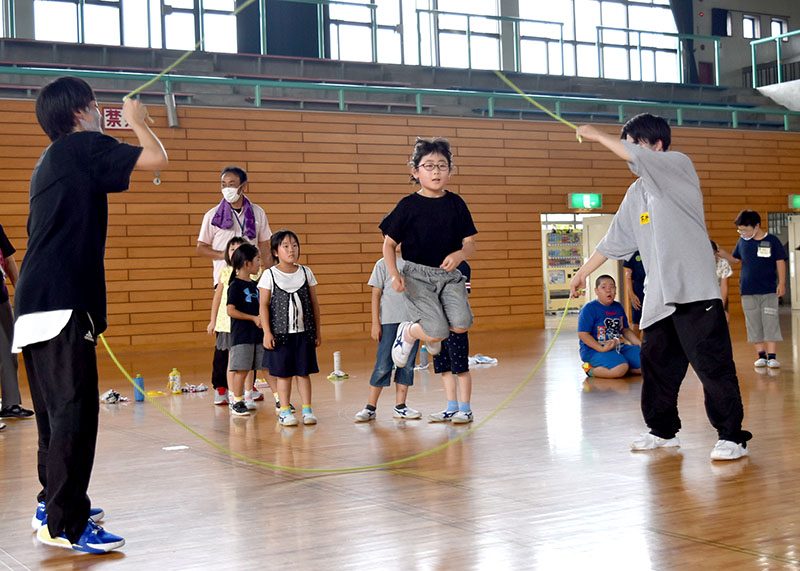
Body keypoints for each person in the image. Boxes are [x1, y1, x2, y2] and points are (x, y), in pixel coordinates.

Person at [12, 77, 168, 552]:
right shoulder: (80, 147)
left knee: (53, 419)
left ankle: (52, 502)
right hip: (61, 303)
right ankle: (65, 524)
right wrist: (140, 123)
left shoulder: (53, 158)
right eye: (96, 105)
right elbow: (156, 158)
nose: (103, 112)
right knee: (74, 416)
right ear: (80, 112)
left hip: (37, 304)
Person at [569, 113, 751, 461]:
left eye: (637, 143)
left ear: (658, 146)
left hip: (695, 291)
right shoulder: (635, 194)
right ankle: (663, 431)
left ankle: (732, 436)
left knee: (713, 367)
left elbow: (634, 155)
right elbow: (612, 243)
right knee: (657, 370)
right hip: (658, 298)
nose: (630, 151)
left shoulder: (678, 167)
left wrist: (596, 135)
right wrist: (582, 273)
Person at [379, 137, 477, 373]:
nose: (436, 172)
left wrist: (460, 254)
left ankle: (431, 333)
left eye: (442, 165)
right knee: (437, 332)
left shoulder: (456, 203)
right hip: (418, 277)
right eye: (429, 166)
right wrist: (394, 275)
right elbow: (388, 245)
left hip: (449, 275)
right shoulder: (408, 205)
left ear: (450, 171)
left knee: (463, 324)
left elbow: (471, 242)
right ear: (415, 171)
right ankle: (409, 332)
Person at [197, 166, 271, 404]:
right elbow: (201, 247)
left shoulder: (258, 213)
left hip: (252, 281)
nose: (227, 188)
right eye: (223, 184)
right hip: (226, 280)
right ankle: (221, 386)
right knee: (226, 338)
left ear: (244, 186)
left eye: (232, 183)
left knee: (252, 335)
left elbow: (266, 245)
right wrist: (228, 256)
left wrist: (267, 275)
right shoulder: (212, 215)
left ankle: (248, 388)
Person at [259, 230, 321, 427]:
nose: (291, 249)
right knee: (283, 374)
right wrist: (267, 332)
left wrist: (317, 331)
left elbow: (314, 304)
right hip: (280, 334)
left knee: (303, 373)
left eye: (294, 245)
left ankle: (307, 409)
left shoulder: (306, 272)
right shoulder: (269, 275)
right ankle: (285, 410)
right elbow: (263, 305)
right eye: (285, 246)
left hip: (304, 333)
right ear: (276, 251)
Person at [354, 250, 421, 423]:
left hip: (411, 324)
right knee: (383, 364)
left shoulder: (415, 262)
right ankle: (370, 407)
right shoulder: (382, 264)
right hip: (389, 322)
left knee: (406, 364)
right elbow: (376, 294)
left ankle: (400, 406)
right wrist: (375, 323)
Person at [730, 210, 787, 369]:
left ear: (756, 226)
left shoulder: (772, 240)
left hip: (768, 290)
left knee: (770, 321)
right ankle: (761, 355)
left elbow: (780, 261)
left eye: (746, 229)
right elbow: (735, 259)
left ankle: (772, 357)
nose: (743, 233)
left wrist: (781, 283)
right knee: (753, 323)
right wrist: (720, 253)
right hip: (747, 291)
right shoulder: (742, 241)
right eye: (740, 230)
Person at [428, 261, 474, 424]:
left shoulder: (462, 266)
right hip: (438, 326)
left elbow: (461, 296)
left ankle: (465, 409)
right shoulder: (431, 263)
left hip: (455, 326)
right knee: (444, 368)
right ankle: (451, 407)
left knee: (460, 368)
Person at [226, 243, 267, 416]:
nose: (259, 262)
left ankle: (280, 400)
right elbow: (230, 310)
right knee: (241, 370)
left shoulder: (256, 285)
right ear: (246, 263)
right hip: (242, 335)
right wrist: (252, 318)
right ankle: (237, 401)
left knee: (263, 367)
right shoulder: (235, 286)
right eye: (257, 259)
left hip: (257, 334)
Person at [0, 224, 34, 421]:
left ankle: (10, 403)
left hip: (1, 299)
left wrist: (21, 292)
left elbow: (9, 259)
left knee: (8, 351)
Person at [577, 275, 641, 379]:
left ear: (615, 290)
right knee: (621, 368)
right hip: (594, 350)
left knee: (648, 362)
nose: (608, 290)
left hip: (618, 347)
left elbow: (625, 329)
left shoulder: (618, 307)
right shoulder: (589, 308)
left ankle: (622, 367)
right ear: (596, 291)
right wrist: (600, 349)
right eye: (603, 287)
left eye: (612, 287)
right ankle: (590, 370)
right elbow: (583, 334)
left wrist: (640, 344)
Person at [622, 250, 645, 336]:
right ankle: (636, 347)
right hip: (638, 290)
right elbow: (628, 277)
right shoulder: (632, 252)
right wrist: (631, 295)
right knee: (637, 323)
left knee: (653, 322)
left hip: (652, 288)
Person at [710, 240, 733, 322]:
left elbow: (724, 286)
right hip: (705, 296)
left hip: (718, 295)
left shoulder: (723, 263)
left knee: (724, 319)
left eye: (714, 254)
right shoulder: (699, 264)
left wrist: (721, 307)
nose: (713, 257)